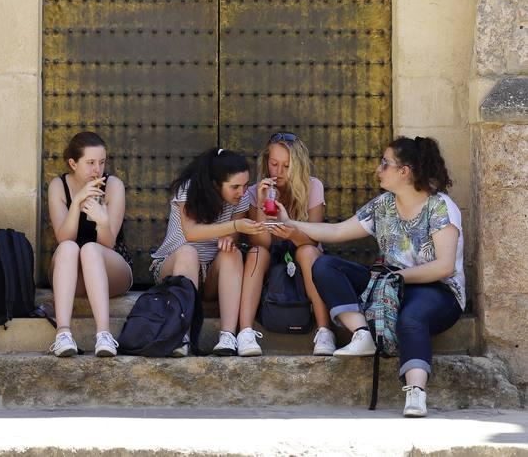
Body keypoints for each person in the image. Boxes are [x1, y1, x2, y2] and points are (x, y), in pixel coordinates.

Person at [275, 136, 465, 418]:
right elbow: (338, 232)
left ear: (405, 171)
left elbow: (444, 267)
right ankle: (361, 333)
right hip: (390, 284)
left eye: (385, 163)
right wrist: (289, 223)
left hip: (437, 291)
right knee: (325, 265)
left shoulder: (440, 207)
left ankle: (415, 393)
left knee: (411, 317)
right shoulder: (383, 205)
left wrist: (397, 278)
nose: (378, 169)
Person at [150, 147, 265, 356]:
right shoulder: (188, 189)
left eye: (246, 185)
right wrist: (235, 228)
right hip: (175, 270)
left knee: (233, 253)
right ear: (215, 185)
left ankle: (228, 336)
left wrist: (230, 239)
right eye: (235, 187)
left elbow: (233, 237)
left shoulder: (242, 198)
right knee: (188, 252)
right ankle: (181, 336)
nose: (242, 192)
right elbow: (191, 233)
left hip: (210, 275)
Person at [236, 131, 335, 357]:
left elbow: (314, 237)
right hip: (270, 257)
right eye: (273, 164)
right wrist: (261, 205)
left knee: (308, 252)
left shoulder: (313, 186)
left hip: (302, 255)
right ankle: (245, 332)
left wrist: (289, 231)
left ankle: (324, 331)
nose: (278, 172)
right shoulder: (254, 191)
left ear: (298, 166)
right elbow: (260, 241)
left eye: (286, 166)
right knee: (256, 252)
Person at [47, 130, 132, 358]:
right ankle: (63, 334)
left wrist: (102, 221)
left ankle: (104, 335)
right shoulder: (58, 186)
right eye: (90, 163)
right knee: (69, 247)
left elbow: (109, 243)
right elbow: (63, 237)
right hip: (71, 274)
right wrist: (76, 203)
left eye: (102, 162)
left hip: (109, 269)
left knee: (91, 249)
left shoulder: (113, 185)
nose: (97, 170)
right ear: (73, 163)